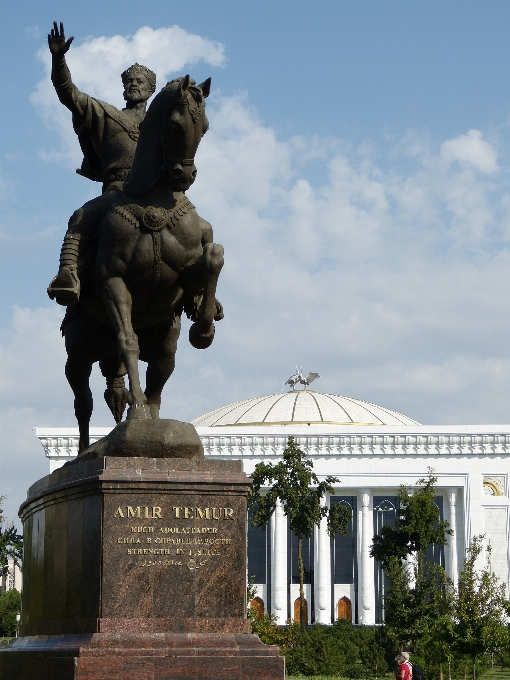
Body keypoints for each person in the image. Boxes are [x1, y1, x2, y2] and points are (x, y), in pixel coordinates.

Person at [46, 22, 156, 305]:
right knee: (81, 217)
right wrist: (59, 58)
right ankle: (68, 274)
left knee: (202, 230)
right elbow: (68, 93)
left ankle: (199, 291)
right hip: (117, 191)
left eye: (140, 82)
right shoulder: (105, 114)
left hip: (158, 192)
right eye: (129, 82)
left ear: (151, 90)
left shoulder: (161, 125)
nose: (133, 85)